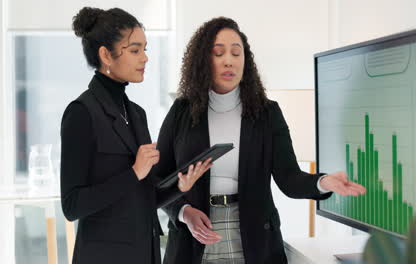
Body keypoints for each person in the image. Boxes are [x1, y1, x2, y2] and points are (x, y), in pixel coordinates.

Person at [154, 17, 366, 264]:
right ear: (203, 61)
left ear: (246, 61)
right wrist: (183, 212)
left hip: (254, 235)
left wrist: (324, 182)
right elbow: (160, 179)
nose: (229, 61)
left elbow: (290, 179)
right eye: (218, 53)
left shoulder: (267, 113)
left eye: (236, 53)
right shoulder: (182, 111)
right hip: (194, 236)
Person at [60, 7, 212, 264]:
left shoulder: (136, 114)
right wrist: (133, 172)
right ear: (106, 55)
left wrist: (179, 187)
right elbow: (72, 206)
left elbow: (143, 198)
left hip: (145, 253)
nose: (144, 58)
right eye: (134, 50)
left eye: (145, 49)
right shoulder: (81, 113)